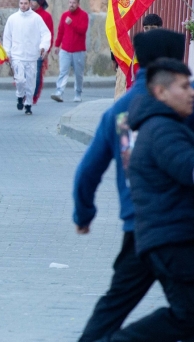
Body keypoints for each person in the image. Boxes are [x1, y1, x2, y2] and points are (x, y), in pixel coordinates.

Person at [73, 27, 186, 342]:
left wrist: (84, 214)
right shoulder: (174, 105)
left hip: (138, 225)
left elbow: (90, 170)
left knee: (116, 303)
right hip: (171, 227)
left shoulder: (121, 111)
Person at [104, 58, 194, 340]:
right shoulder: (162, 130)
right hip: (171, 239)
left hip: (169, 236)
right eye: (183, 86)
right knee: (186, 316)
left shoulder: (165, 125)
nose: (191, 92)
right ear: (161, 92)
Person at [3, 0, 51, 115]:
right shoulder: (12, 19)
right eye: (21, 3)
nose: (23, 5)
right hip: (17, 55)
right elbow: (7, 37)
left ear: (29, 4)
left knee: (30, 82)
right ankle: (20, 95)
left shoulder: (36, 18)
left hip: (31, 55)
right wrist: (7, 52)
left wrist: (43, 47)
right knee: (19, 80)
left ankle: (28, 104)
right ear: (18, 4)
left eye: (25, 3)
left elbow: (46, 33)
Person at [52, 0, 89, 103]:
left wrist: (72, 23)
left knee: (78, 74)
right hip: (65, 50)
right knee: (63, 71)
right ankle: (59, 92)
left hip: (78, 50)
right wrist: (57, 45)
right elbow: (61, 31)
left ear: (78, 4)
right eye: (70, 2)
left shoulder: (83, 15)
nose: (71, 5)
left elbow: (83, 30)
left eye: (74, 3)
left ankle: (78, 93)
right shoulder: (65, 15)